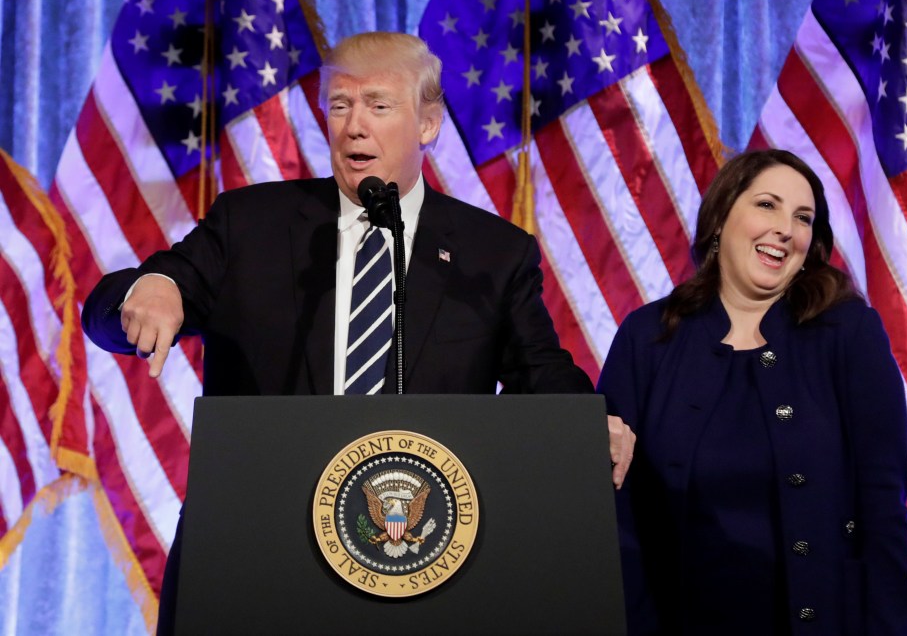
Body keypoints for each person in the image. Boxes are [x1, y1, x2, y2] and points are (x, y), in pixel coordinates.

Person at [82, 32, 634, 633]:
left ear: (428, 123)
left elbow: (541, 372)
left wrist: (585, 422)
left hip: (421, 564)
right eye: (340, 105)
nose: (353, 126)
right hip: (256, 557)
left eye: (378, 104)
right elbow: (109, 311)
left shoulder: (490, 254)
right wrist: (151, 286)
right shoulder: (252, 225)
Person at [597, 149, 907, 635]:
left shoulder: (849, 333)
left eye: (803, 217)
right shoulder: (648, 338)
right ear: (721, 218)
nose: (786, 228)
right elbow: (612, 514)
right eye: (767, 205)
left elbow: (883, 511)